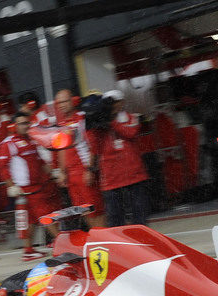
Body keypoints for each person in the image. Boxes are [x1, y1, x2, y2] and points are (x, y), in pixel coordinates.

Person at [0, 112, 60, 260]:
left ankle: (28, 250)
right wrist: (11, 186)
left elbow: (39, 162)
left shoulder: (31, 140)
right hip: (26, 190)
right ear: (13, 126)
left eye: (27, 122)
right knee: (46, 215)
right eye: (22, 123)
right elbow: (1, 166)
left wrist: (53, 173)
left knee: (30, 220)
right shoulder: (9, 143)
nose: (26, 126)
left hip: (38, 187)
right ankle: (62, 244)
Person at [87, 92, 150, 227]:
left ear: (121, 102)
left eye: (116, 102)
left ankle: (142, 236)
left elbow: (131, 133)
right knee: (115, 215)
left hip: (133, 173)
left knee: (139, 210)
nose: (114, 106)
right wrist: (94, 127)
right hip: (111, 176)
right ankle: (118, 241)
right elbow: (95, 148)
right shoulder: (99, 123)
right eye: (110, 103)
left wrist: (111, 122)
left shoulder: (131, 118)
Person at [44, 89, 106, 227]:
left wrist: (89, 169)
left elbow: (93, 145)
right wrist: (61, 172)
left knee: (95, 208)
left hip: (84, 171)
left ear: (73, 101)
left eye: (64, 101)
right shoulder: (61, 124)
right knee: (82, 210)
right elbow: (61, 149)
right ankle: (95, 239)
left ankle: (104, 238)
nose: (61, 105)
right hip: (71, 176)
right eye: (58, 103)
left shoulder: (83, 119)